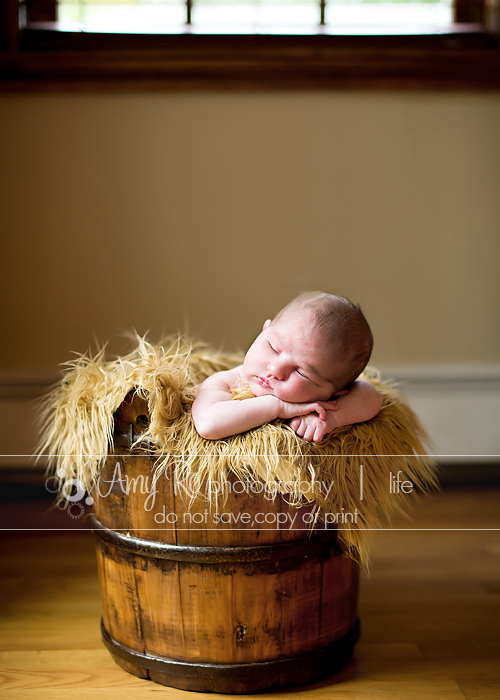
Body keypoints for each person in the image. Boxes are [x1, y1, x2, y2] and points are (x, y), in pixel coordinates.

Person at [191, 292, 383, 443]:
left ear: (337, 392)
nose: (275, 369)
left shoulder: (321, 402)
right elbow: (207, 423)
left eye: (301, 372)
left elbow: (372, 397)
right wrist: (277, 407)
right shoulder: (226, 382)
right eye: (273, 348)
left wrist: (332, 419)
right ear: (264, 330)